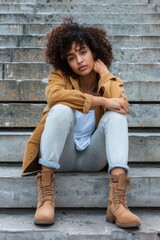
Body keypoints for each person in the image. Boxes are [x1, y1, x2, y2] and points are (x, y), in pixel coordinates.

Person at [21, 18, 140, 228]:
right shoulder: (59, 77)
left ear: (94, 51)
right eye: (71, 57)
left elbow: (122, 106)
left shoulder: (108, 79)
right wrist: (102, 101)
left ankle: (117, 203)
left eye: (83, 52)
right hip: (62, 157)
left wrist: (105, 75)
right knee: (59, 109)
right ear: (65, 62)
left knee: (116, 116)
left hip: (92, 158)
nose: (79, 60)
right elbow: (54, 97)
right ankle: (46, 197)